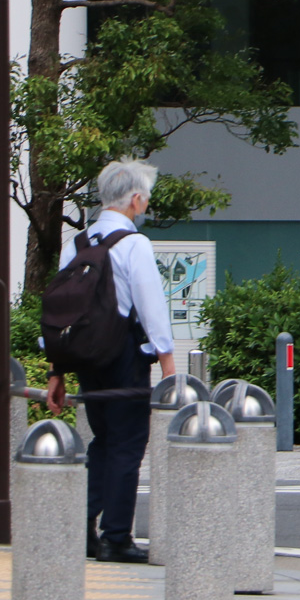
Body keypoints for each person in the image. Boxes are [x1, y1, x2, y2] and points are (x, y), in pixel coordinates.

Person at [45, 160, 178, 564]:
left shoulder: (79, 242)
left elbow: (62, 308)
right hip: (124, 355)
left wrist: (57, 369)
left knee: (102, 440)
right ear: (135, 199)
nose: (147, 202)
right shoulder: (133, 243)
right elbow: (151, 306)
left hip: (85, 355)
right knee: (127, 444)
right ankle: (116, 537)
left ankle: (83, 525)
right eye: (146, 196)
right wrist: (169, 364)